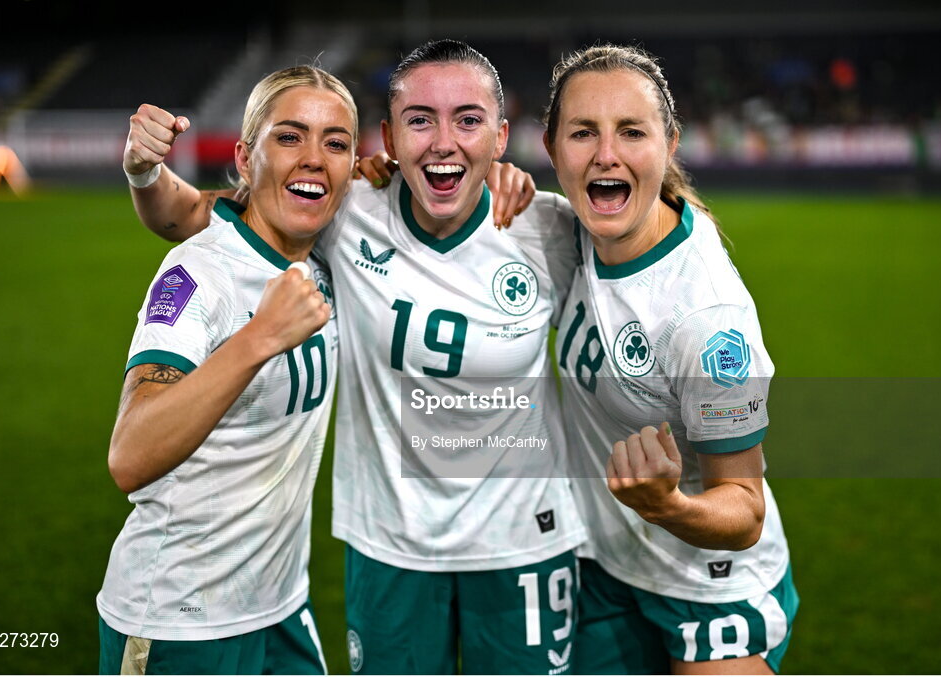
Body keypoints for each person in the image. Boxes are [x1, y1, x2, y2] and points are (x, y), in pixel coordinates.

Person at [124, 40, 587, 675]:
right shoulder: (345, 213)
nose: (445, 140)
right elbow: (198, 218)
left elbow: (644, 250)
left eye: (469, 121)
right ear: (390, 141)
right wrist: (144, 171)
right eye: (421, 119)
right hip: (385, 547)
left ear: (501, 136)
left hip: (523, 542)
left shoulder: (548, 229)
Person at [541, 45, 799, 674]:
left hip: (708, 583)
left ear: (669, 144)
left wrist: (669, 506)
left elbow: (743, 508)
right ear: (551, 149)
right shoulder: (583, 223)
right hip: (604, 564)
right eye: (583, 133)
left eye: (632, 132)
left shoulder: (707, 323)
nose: (606, 153)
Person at [96, 65, 356, 674]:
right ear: (245, 157)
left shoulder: (332, 248)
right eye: (289, 137)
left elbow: (180, 207)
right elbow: (130, 454)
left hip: (281, 608)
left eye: (336, 142)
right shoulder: (198, 275)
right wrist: (257, 339)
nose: (314, 157)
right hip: (179, 623)